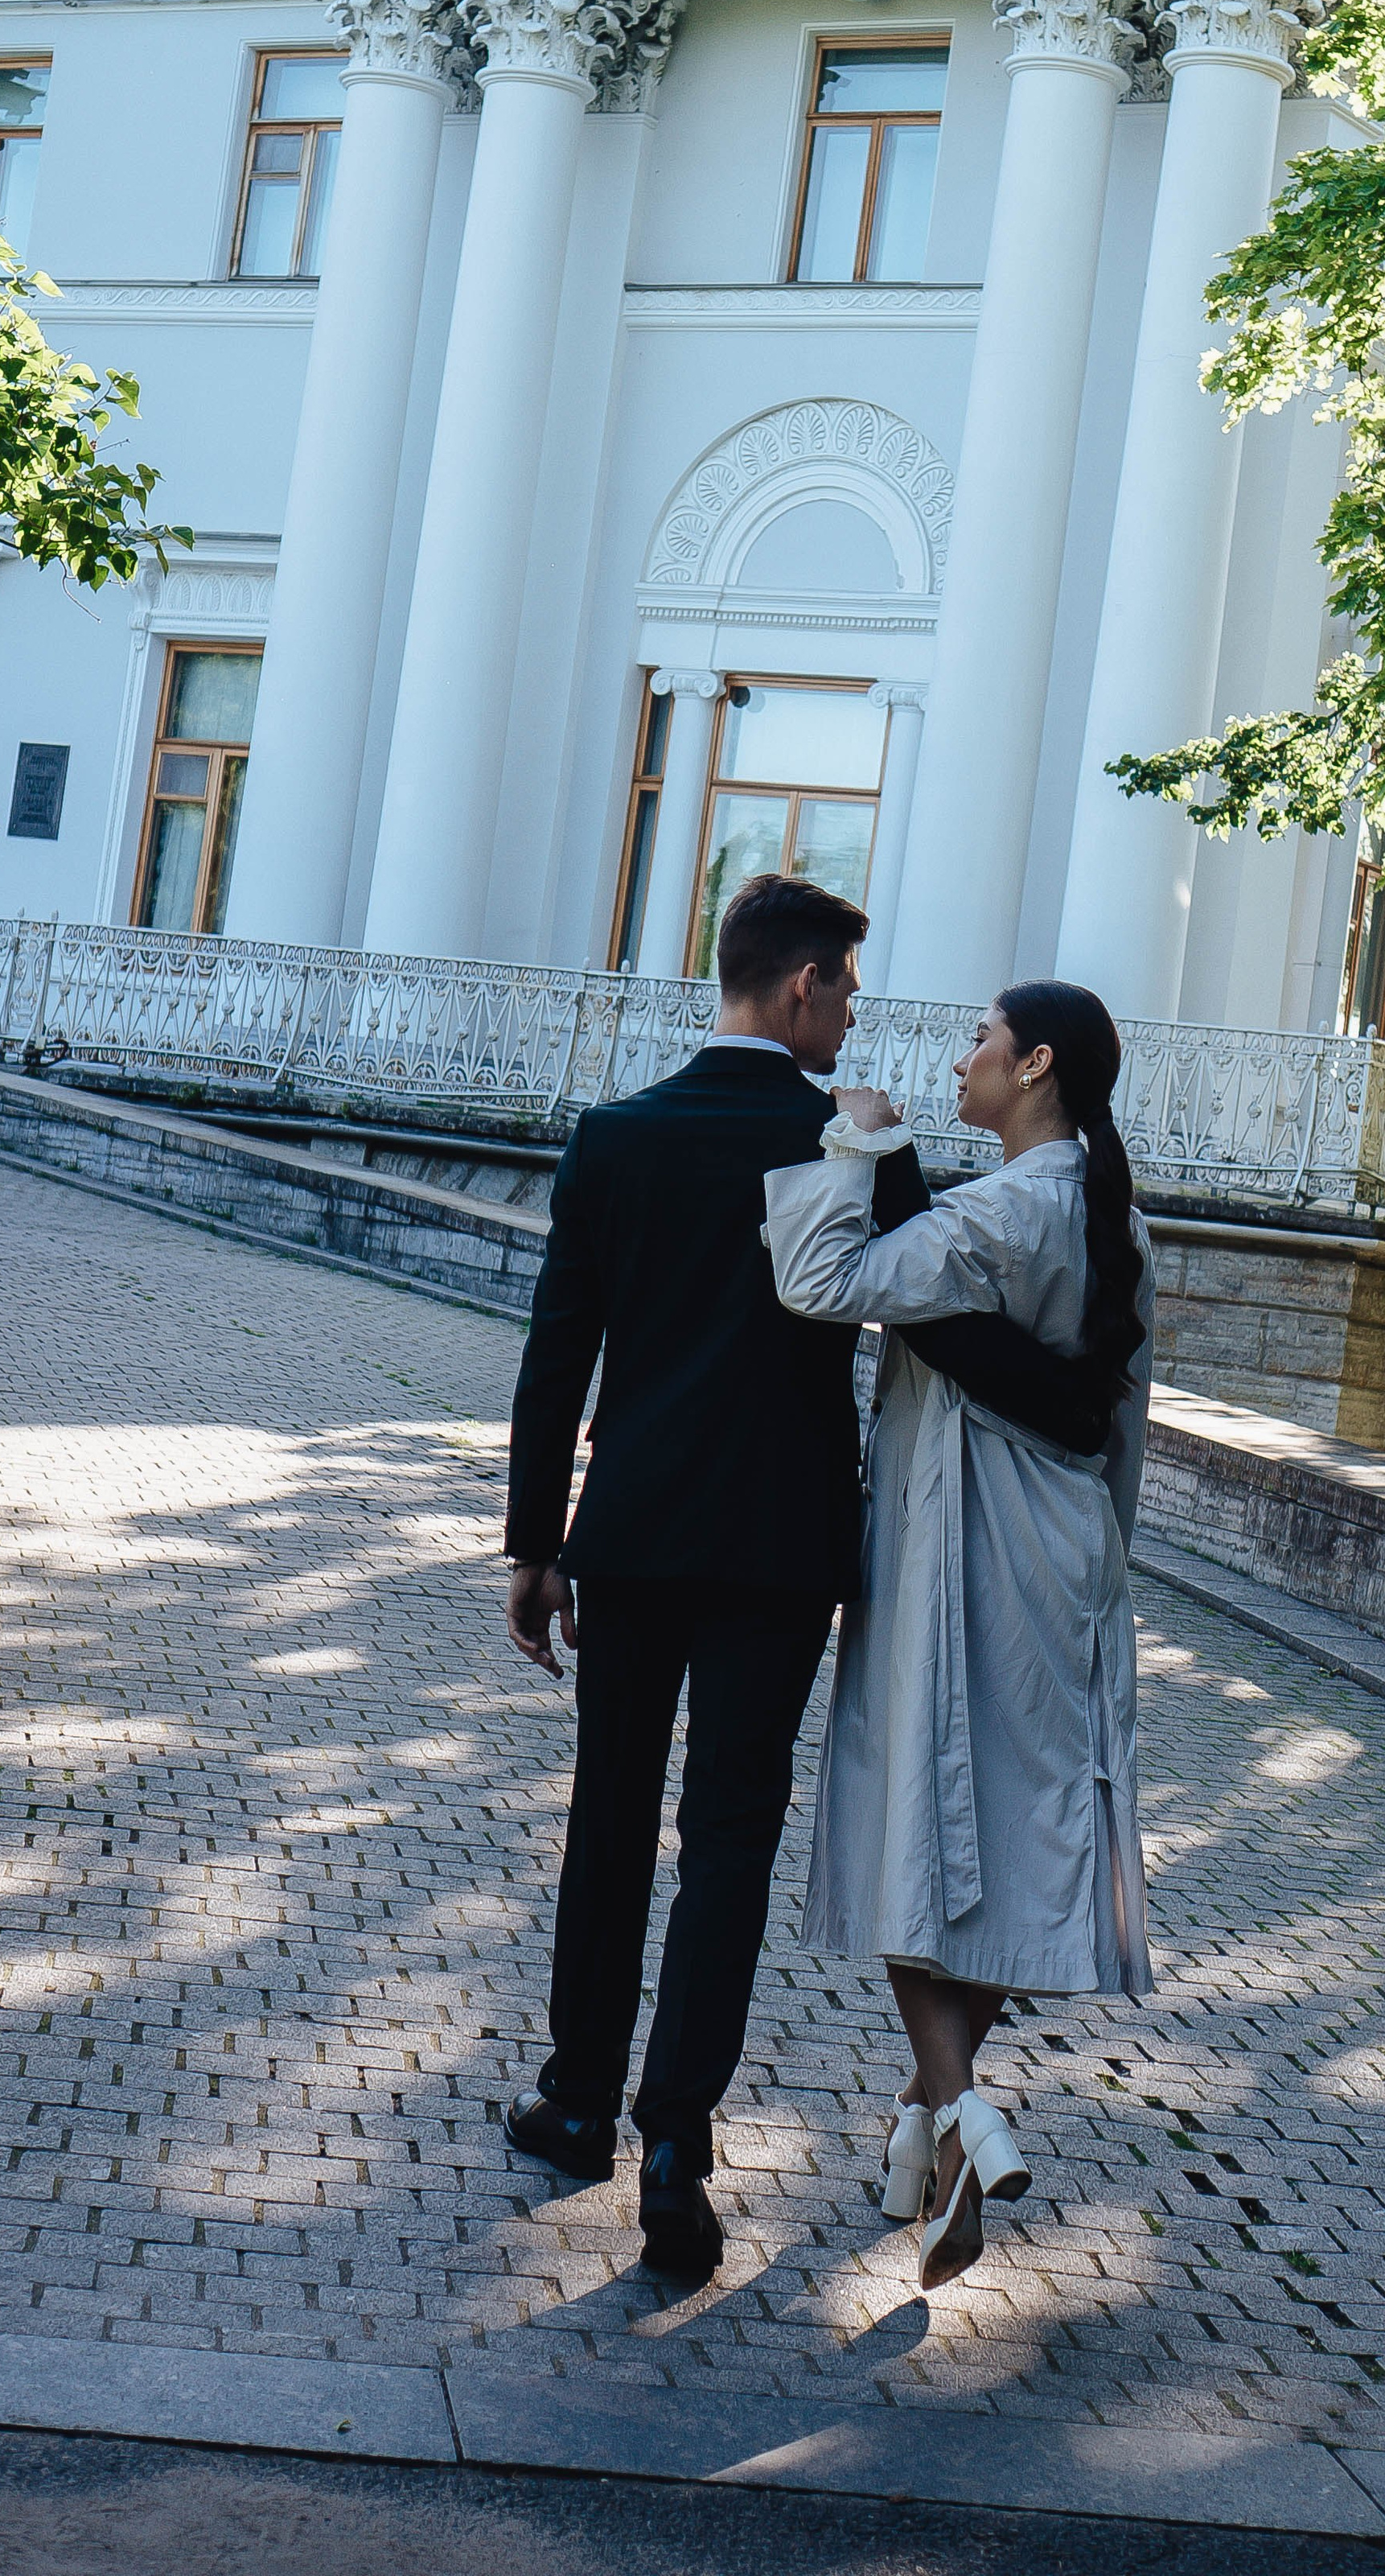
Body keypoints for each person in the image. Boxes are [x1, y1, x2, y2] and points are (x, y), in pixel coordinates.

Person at [501, 879, 1112, 2276]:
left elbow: (556, 1362)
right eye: (844, 990)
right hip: (783, 1552)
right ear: (799, 991)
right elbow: (931, 1326)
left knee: (610, 1815)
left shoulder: (616, 1137)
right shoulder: (847, 1143)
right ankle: (675, 2142)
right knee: (729, 1840)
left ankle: (577, 2100)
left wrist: (537, 1544)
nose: (854, 1017)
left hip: (639, 1534)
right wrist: (1079, 1404)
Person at [763, 979, 1153, 2290]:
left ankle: (966, 2106)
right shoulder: (1107, 1213)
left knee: (908, 1825)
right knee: (1024, 1834)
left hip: (959, 1544)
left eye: (980, 1039)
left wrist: (853, 1143)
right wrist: (1107, 1563)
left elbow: (821, 1281)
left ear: (1035, 1063)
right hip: (1064, 1554)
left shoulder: (999, 1211)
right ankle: (935, 2130)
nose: (960, 1056)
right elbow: (1122, 1422)